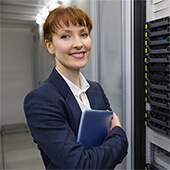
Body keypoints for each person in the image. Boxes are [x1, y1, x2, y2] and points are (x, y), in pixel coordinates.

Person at [24, 6, 128, 169]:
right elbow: (80, 165)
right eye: (65, 36)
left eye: (83, 34)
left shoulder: (95, 90)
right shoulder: (41, 100)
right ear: (50, 46)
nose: (78, 44)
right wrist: (120, 136)